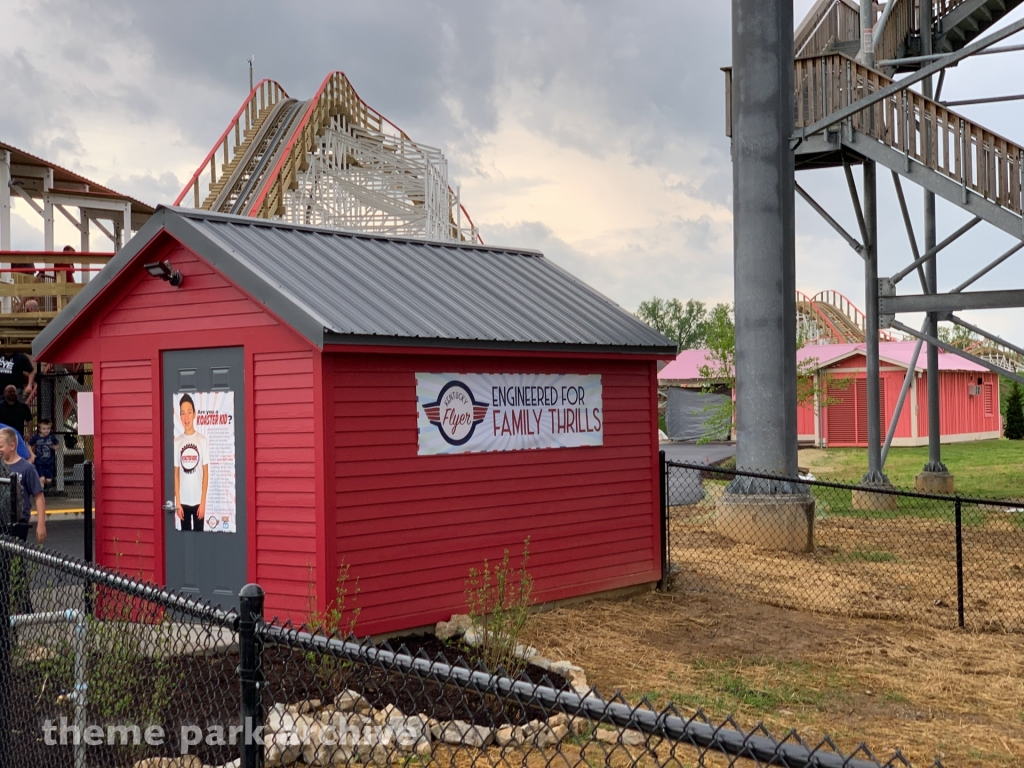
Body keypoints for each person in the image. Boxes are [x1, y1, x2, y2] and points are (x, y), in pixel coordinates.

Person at [1, 427, 46, 544]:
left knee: (14, 555)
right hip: (1, 518)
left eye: (1, 447)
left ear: (12, 446)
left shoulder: (27, 468)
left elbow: (39, 496)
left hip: (19, 521)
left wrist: (41, 524)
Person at [173, 394, 209, 532]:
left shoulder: (202, 440)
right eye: (183, 413)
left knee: (200, 541)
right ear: (180, 416)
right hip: (183, 502)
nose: (186, 417)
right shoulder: (177, 442)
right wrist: (178, 502)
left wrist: (203, 502)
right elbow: (176, 474)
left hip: (198, 502)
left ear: (194, 414)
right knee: (186, 542)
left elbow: (205, 473)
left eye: (189, 412)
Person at [29, 419, 60, 490]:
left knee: (49, 480)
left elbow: (58, 444)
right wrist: (32, 454)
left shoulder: (51, 437)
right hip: (39, 462)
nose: (46, 430)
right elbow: (29, 445)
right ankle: (41, 492)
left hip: (50, 461)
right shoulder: (36, 437)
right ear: (39, 429)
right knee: (42, 479)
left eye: (48, 428)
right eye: (44, 429)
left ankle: (43, 485)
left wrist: (55, 447)